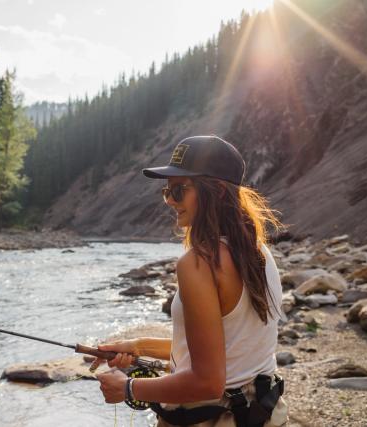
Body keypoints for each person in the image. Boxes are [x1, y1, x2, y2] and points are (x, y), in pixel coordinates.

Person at [95, 135, 288, 427]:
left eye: (179, 190)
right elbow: (222, 347)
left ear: (219, 192)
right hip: (261, 415)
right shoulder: (257, 252)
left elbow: (207, 382)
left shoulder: (199, 263)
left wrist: (128, 388)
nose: (170, 200)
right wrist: (138, 345)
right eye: (167, 190)